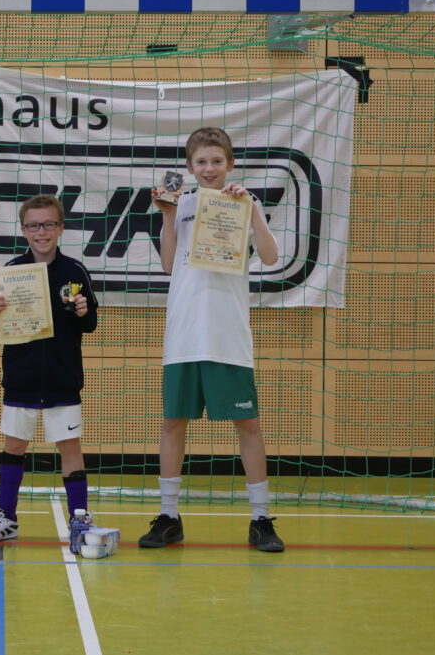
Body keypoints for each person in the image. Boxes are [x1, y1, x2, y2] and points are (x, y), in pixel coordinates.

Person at [140, 126, 285, 552]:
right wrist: (167, 215)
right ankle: (169, 516)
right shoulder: (181, 203)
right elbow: (169, 264)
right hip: (184, 332)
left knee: (249, 424)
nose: (209, 168)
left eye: (216, 161)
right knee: (173, 422)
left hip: (227, 333)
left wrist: (252, 209)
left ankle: (261, 519)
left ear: (230, 164)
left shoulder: (244, 202)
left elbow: (271, 256)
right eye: (201, 162)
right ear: (189, 167)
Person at [0, 195, 99, 551]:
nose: (40, 232)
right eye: (33, 225)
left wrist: (82, 310)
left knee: (70, 448)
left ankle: (79, 518)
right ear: (23, 230)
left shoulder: (75, 271)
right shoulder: (13, 270)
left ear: (60, 228)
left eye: (47, 224)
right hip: (21, 377)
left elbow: (90, 322)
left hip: (63, 378)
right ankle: (6, 517)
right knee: (14, 447)